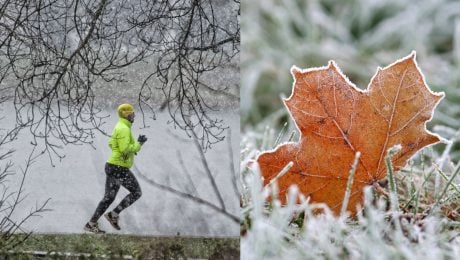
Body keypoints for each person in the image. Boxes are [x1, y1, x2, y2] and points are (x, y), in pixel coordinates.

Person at [84, 103, 148, 234]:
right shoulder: (124, 128)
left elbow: (112, 143)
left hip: (113, 166)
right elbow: (124, 148)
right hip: (119, 168)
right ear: (126, 115)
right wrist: (138, 144)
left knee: (109, 198)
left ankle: (91, 223)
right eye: (132, 114)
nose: (134, 116)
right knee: (136, 192)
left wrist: (127, 151)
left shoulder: (119, 126)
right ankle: (113, 214)